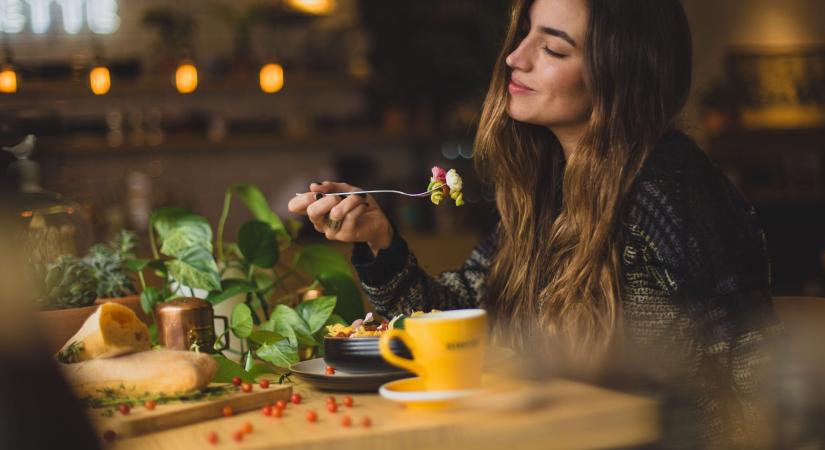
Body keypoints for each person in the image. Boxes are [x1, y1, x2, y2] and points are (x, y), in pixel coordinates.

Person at [288, 0, 783, 446]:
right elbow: (460, 320)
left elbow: (751, 363)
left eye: (552, 48)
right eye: (523, 32)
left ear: (620, 74)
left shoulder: (668, 185)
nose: (514, 57)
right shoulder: (549, 190)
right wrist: (381, 242)